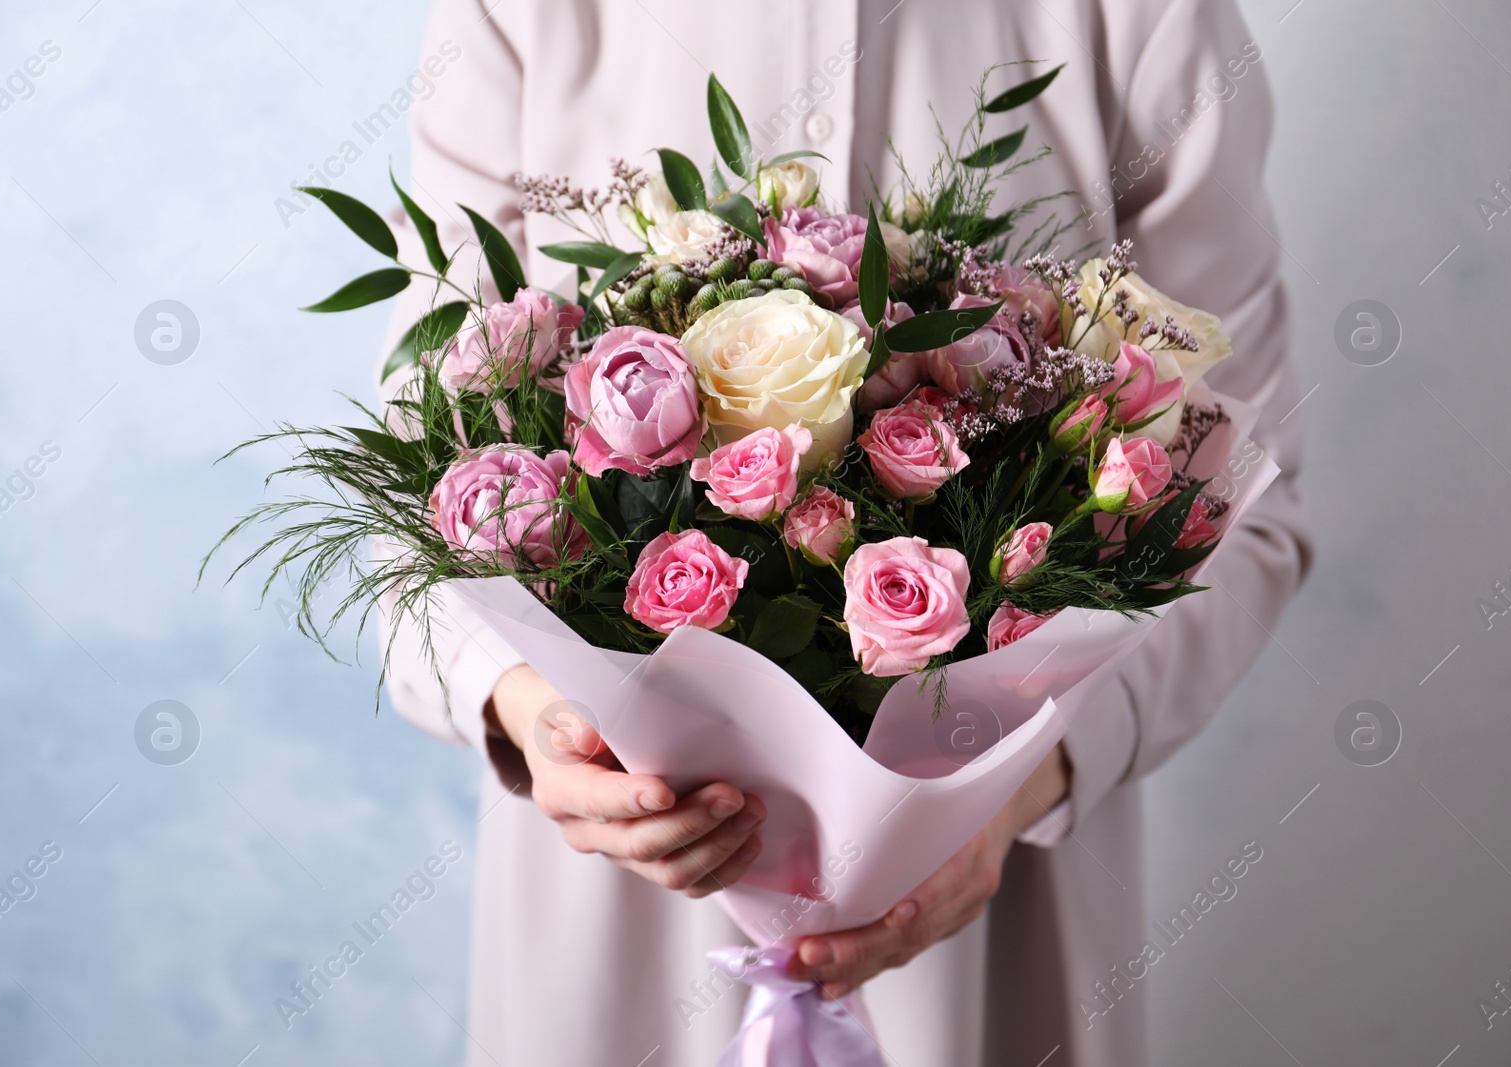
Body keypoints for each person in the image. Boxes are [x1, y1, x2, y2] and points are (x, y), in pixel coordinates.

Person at [379, 1, 1312, 1064]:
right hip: (614, 902)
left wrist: (1010, 796)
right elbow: (421, 476)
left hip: (985, 900)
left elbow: (1241, 506)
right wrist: (536, 711)